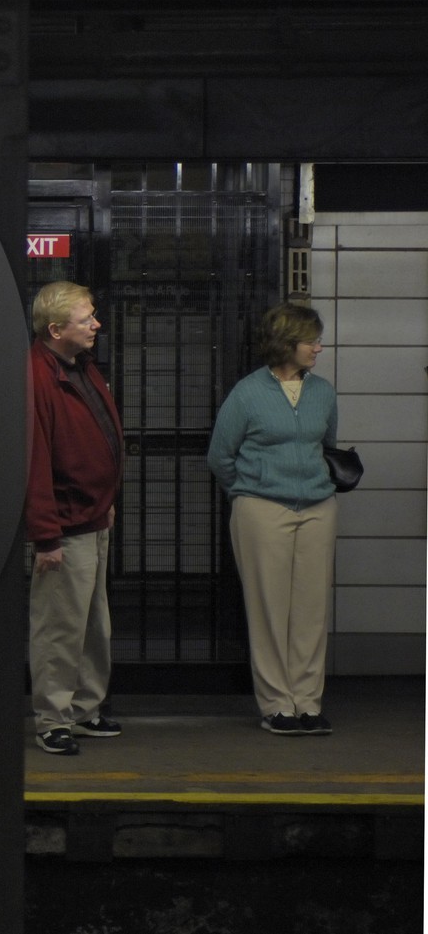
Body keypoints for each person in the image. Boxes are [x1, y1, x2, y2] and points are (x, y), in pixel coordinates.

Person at [206, 303, 339, 736]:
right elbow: (220, 457)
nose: (319, 347)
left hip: (318, 508)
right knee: (269, 608)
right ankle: (277, 704)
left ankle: (308, 703)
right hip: (262, 509)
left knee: (311, 610)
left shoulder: (323, 392)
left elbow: (328, 446)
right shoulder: (247, 393)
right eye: (311, 340)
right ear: (287, 343)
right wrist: (250, 490)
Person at [25, 281, 125, 756]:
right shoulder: (37, 377)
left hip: (93, 518)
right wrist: (46, 536)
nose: (96, 325)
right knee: (60, 627)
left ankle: (84, 710)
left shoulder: (78, 367)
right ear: (56, 328)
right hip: (66, 526)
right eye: (87, 319)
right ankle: (52, 718)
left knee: (92, 625)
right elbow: (35, 459)